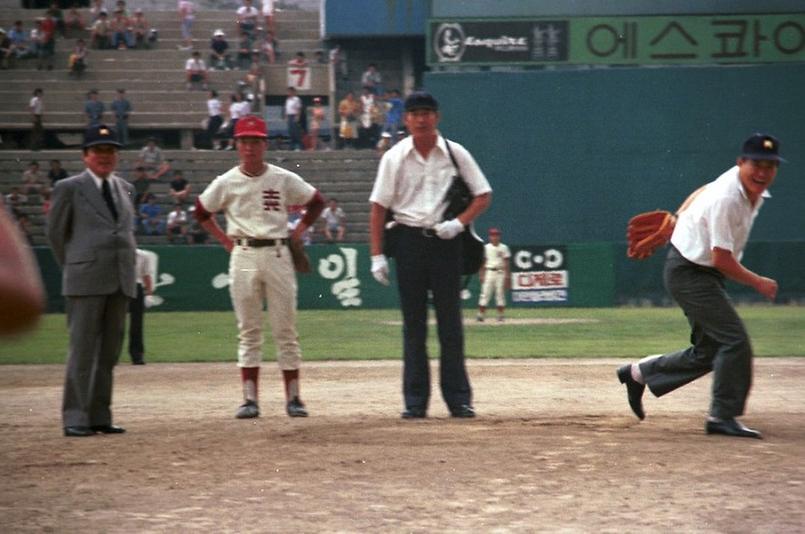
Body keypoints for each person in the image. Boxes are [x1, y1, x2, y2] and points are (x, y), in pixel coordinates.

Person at [617, 133, 785, 440]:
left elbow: (701, 189)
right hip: (690, 274)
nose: (762, 172)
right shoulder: (728, 198)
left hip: (699, 272)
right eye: (756, 164)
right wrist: (758, 281)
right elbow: (722, 259)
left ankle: (637, 373)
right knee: (735, 341)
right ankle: (722, 416)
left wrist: (679, 216)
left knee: (710, 351)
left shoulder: (743, 186)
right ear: (741, 163)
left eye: (770, 165)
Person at [368, 91, 492, 419]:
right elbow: (378, 207)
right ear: (406, 119)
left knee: (451, 324)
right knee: (414, 325)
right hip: (408, 240)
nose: (421, 119)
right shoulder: (394, 157)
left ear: (437, 117)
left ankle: (459, 399)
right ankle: (414, 402)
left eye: (427, 112)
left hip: (445, 241)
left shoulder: (454, 153)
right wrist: (377, 255)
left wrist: (458, 223)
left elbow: (483, 194)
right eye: (415, 113)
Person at [193, 115, 325, 419]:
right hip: (243, 253)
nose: (249, 147)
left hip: (278, 251)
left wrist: (298, 231)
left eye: (255, 141)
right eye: (244, 141)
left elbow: (316, 201)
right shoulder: (226, 181)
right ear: (236, 144)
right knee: (248, 328)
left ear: (264, 144)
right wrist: (225, 241)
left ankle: (294, 399)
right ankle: (250, 400)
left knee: (285, 327)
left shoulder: (281, 178)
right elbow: (201, 211)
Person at [46, 123, 136, 437]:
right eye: (98, 150)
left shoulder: (125, 188)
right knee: (82, 350)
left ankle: (99, 415)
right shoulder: (68, 187)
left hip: (119, 279)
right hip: (85, 278)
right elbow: (56, 235)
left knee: (109, 352)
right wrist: (75, 265)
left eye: (111, 150)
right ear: (85, 155)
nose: (105, 156)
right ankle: (75, 417)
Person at [476, 227, 511, 322]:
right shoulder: (486, 247)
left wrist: (507, 276)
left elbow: (506, 262)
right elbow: (483, 262)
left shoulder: (504, 247)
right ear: (489, 237)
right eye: (492, 235)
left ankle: (500, 315)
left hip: (500, 272)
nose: (494, 237)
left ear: (499, 236)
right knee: (485, 293)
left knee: (500, 294)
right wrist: (481, 274)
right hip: (489, 271)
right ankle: (480, 315)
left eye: (496, 235)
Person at [128, 248, 154, 365]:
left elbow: (146, 275)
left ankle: (137, 355)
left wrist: (149, 293)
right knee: (115, 324)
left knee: (137, 323)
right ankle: (111, 356)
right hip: (118, 287)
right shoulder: (115, 253)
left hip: (136, 287)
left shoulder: (143, 255)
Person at [283, 86, 303, 151]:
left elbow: (299, 108)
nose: (288, 93)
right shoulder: (287, 100)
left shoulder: (296, 99)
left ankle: (300, 146)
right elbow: (286, 109)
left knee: (296, 132)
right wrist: (286, 116)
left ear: (293, 92)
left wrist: (297, 116)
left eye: (290, 91)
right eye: (288, 91)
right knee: (290, 132)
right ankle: (292, 147)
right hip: (289, 116)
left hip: (294, 116)